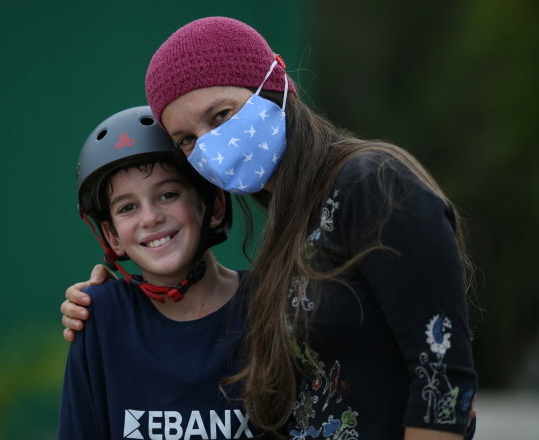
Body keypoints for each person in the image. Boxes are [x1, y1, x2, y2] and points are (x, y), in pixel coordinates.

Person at [61, 17, 478, 440]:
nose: (209, 143)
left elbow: (444, 381)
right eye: (187, 138)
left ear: (272, 85)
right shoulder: (291, 219)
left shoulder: (371, 182)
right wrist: (108, 300)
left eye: (221, 114)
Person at [58, 106, 256, 439]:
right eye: (127, 207)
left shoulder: (272, 301)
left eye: (167, 195)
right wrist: (105, 305)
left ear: (215, 206)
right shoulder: (99, 317)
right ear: (112, 237)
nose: (150, 218)